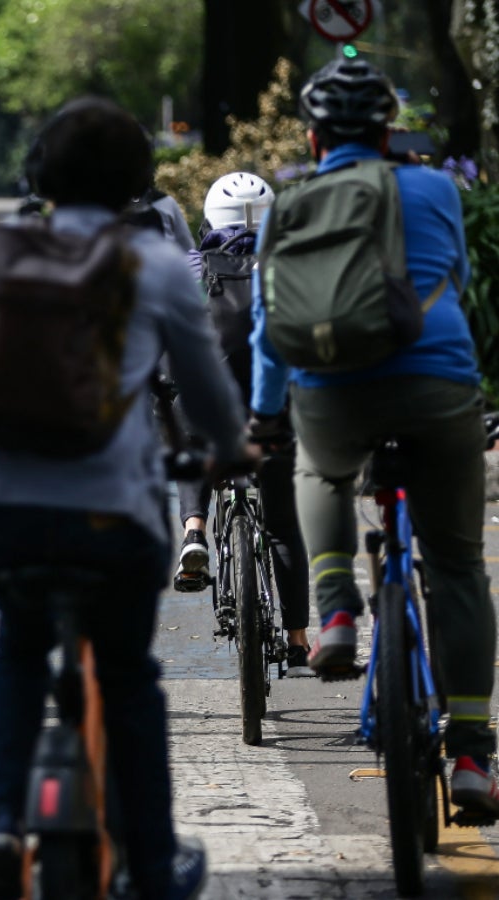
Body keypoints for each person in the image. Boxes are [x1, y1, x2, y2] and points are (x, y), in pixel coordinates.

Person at [0, 96, 250, 900]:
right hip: (115, 519)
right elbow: (206, 396)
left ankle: (2, 828)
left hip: (5, 516)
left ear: (41, 178)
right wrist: (233, 451)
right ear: (139, 185)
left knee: (18, 652)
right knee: (130, 678)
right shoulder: (160, 265)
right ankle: (158, 861)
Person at [250, 57, 499, 813]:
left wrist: (265, 416)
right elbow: (453, 278)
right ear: (390, 129)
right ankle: (472, 757)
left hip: (332, 391)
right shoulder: (436, 188)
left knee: (317, 473)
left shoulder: (286, 206)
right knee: (456, 564)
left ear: (313, 134)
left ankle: (332, 612)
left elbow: (269, 329)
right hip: (437, 383)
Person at [172, 171, 313, 677]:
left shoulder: (190, 266)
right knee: (282, 525)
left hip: (207, 406)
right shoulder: (290, 266)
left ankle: (194, 530)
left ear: (210, 217)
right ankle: (297, 644)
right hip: (273, 412)